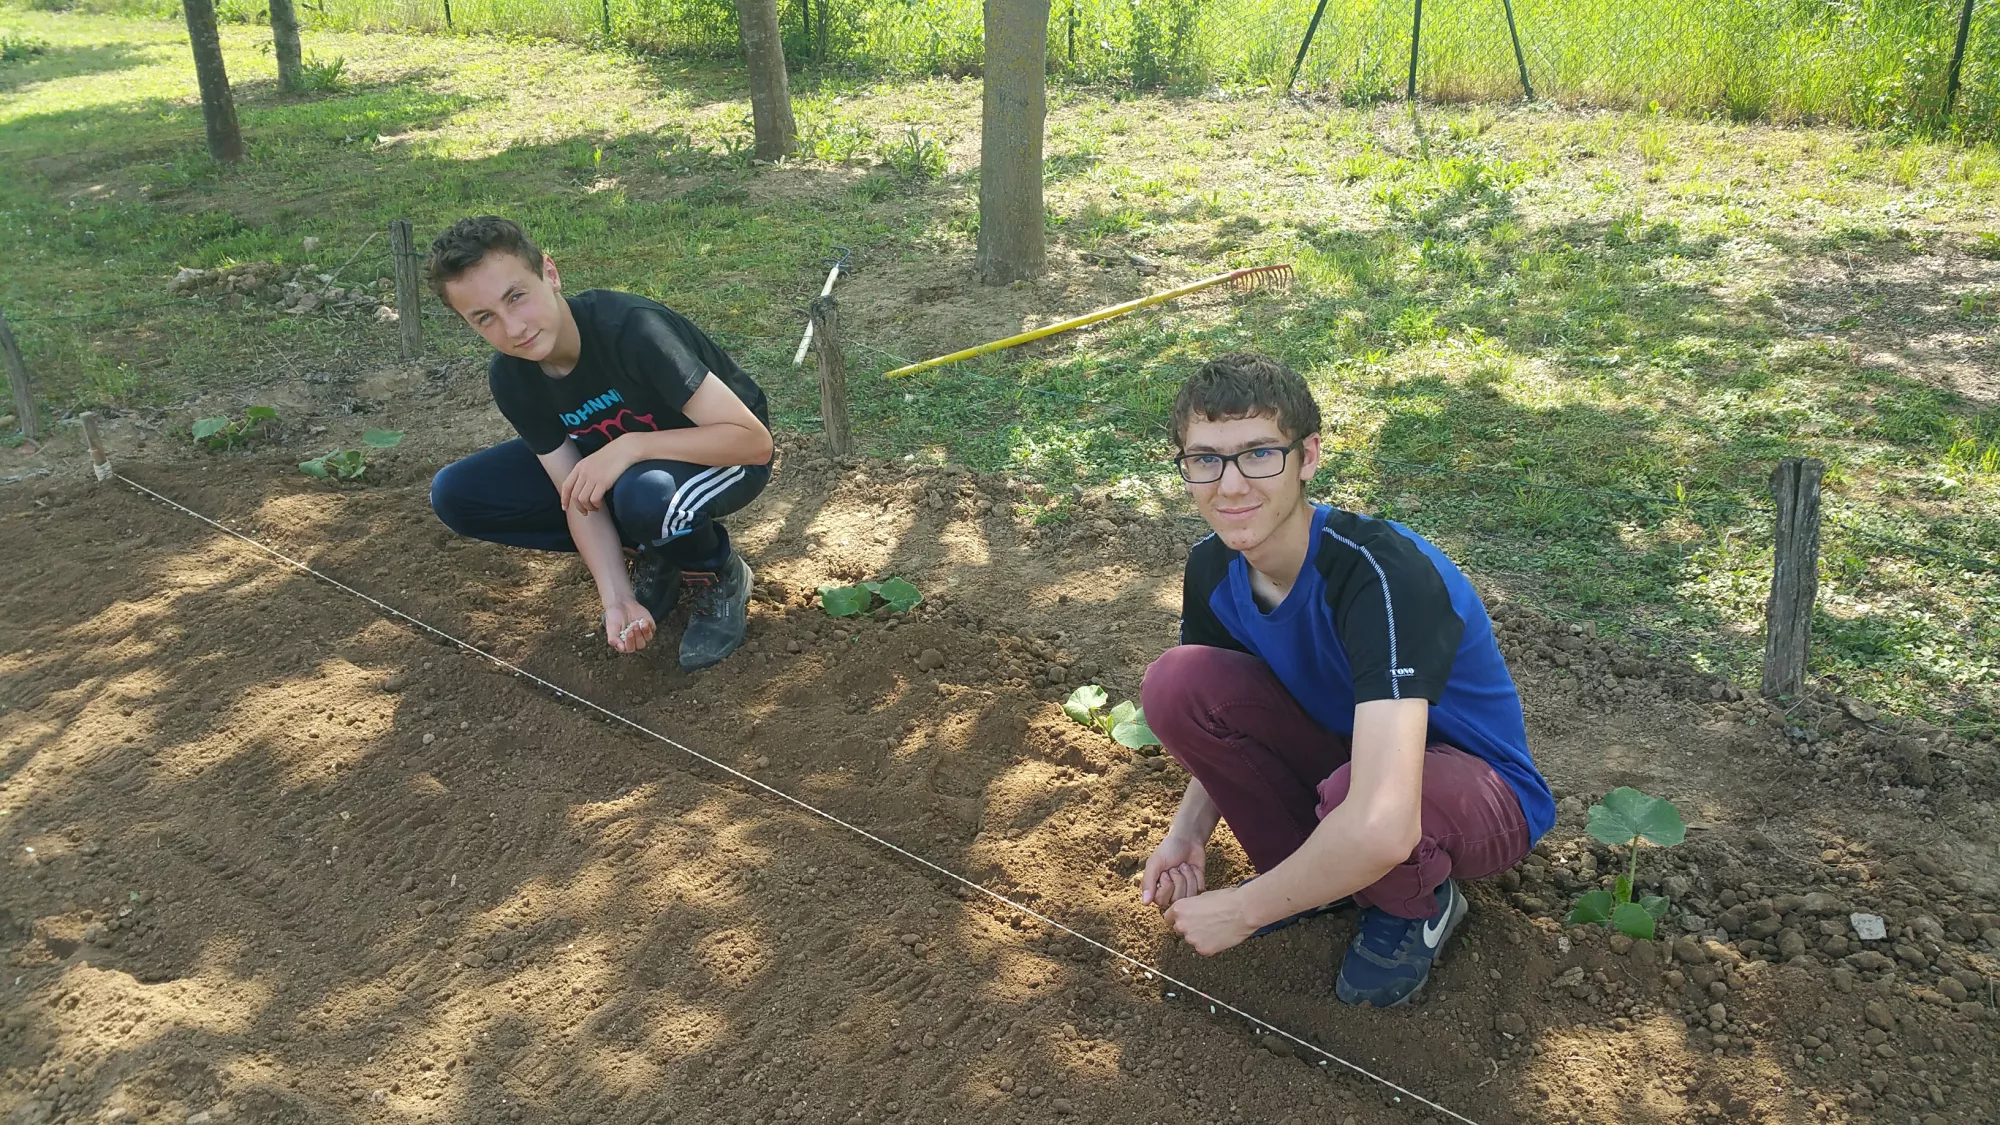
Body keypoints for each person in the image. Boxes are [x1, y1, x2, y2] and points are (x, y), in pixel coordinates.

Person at [1137, 353, 1553, 1007]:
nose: (1231, 484)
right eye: (1206, 459)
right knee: (1177, 683)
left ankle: (1417, 905)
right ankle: (1314, 877)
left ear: (1308, 457)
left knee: (1357, 797)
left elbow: (1386, 820)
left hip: (1475, 794)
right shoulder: (1213, 569)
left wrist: (1245, 907)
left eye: (1259, 454)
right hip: (1351, 763)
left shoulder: (1380, 575)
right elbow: (1219, 712)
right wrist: (1188, 834)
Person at [424, 216, 772, 671]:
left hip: (721, 453)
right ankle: (657, 553)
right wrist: (616, 599)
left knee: (646, 497)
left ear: (549, 273)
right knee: (458, 494)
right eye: (485, 318)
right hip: (624, 464)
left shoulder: (632, 330)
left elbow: (754, 443)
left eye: (516, 297)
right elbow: (574, 494)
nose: (513, 329)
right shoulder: (511, 376)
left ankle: (715, 571)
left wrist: (632, 446)